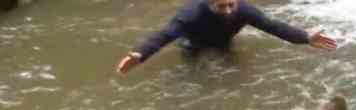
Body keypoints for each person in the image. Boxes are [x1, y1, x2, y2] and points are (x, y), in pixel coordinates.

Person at [116, 0, 337, 75]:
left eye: (232, 4)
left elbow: (273, 26)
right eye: (222, 6)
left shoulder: (243, 10)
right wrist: (140, 54)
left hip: (223, 42)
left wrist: (305, 37)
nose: (229, 10)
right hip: (194, 43)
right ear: (210, 4)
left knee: (233, 70)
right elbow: (165, 35)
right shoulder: (191, 14)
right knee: (193, 74)